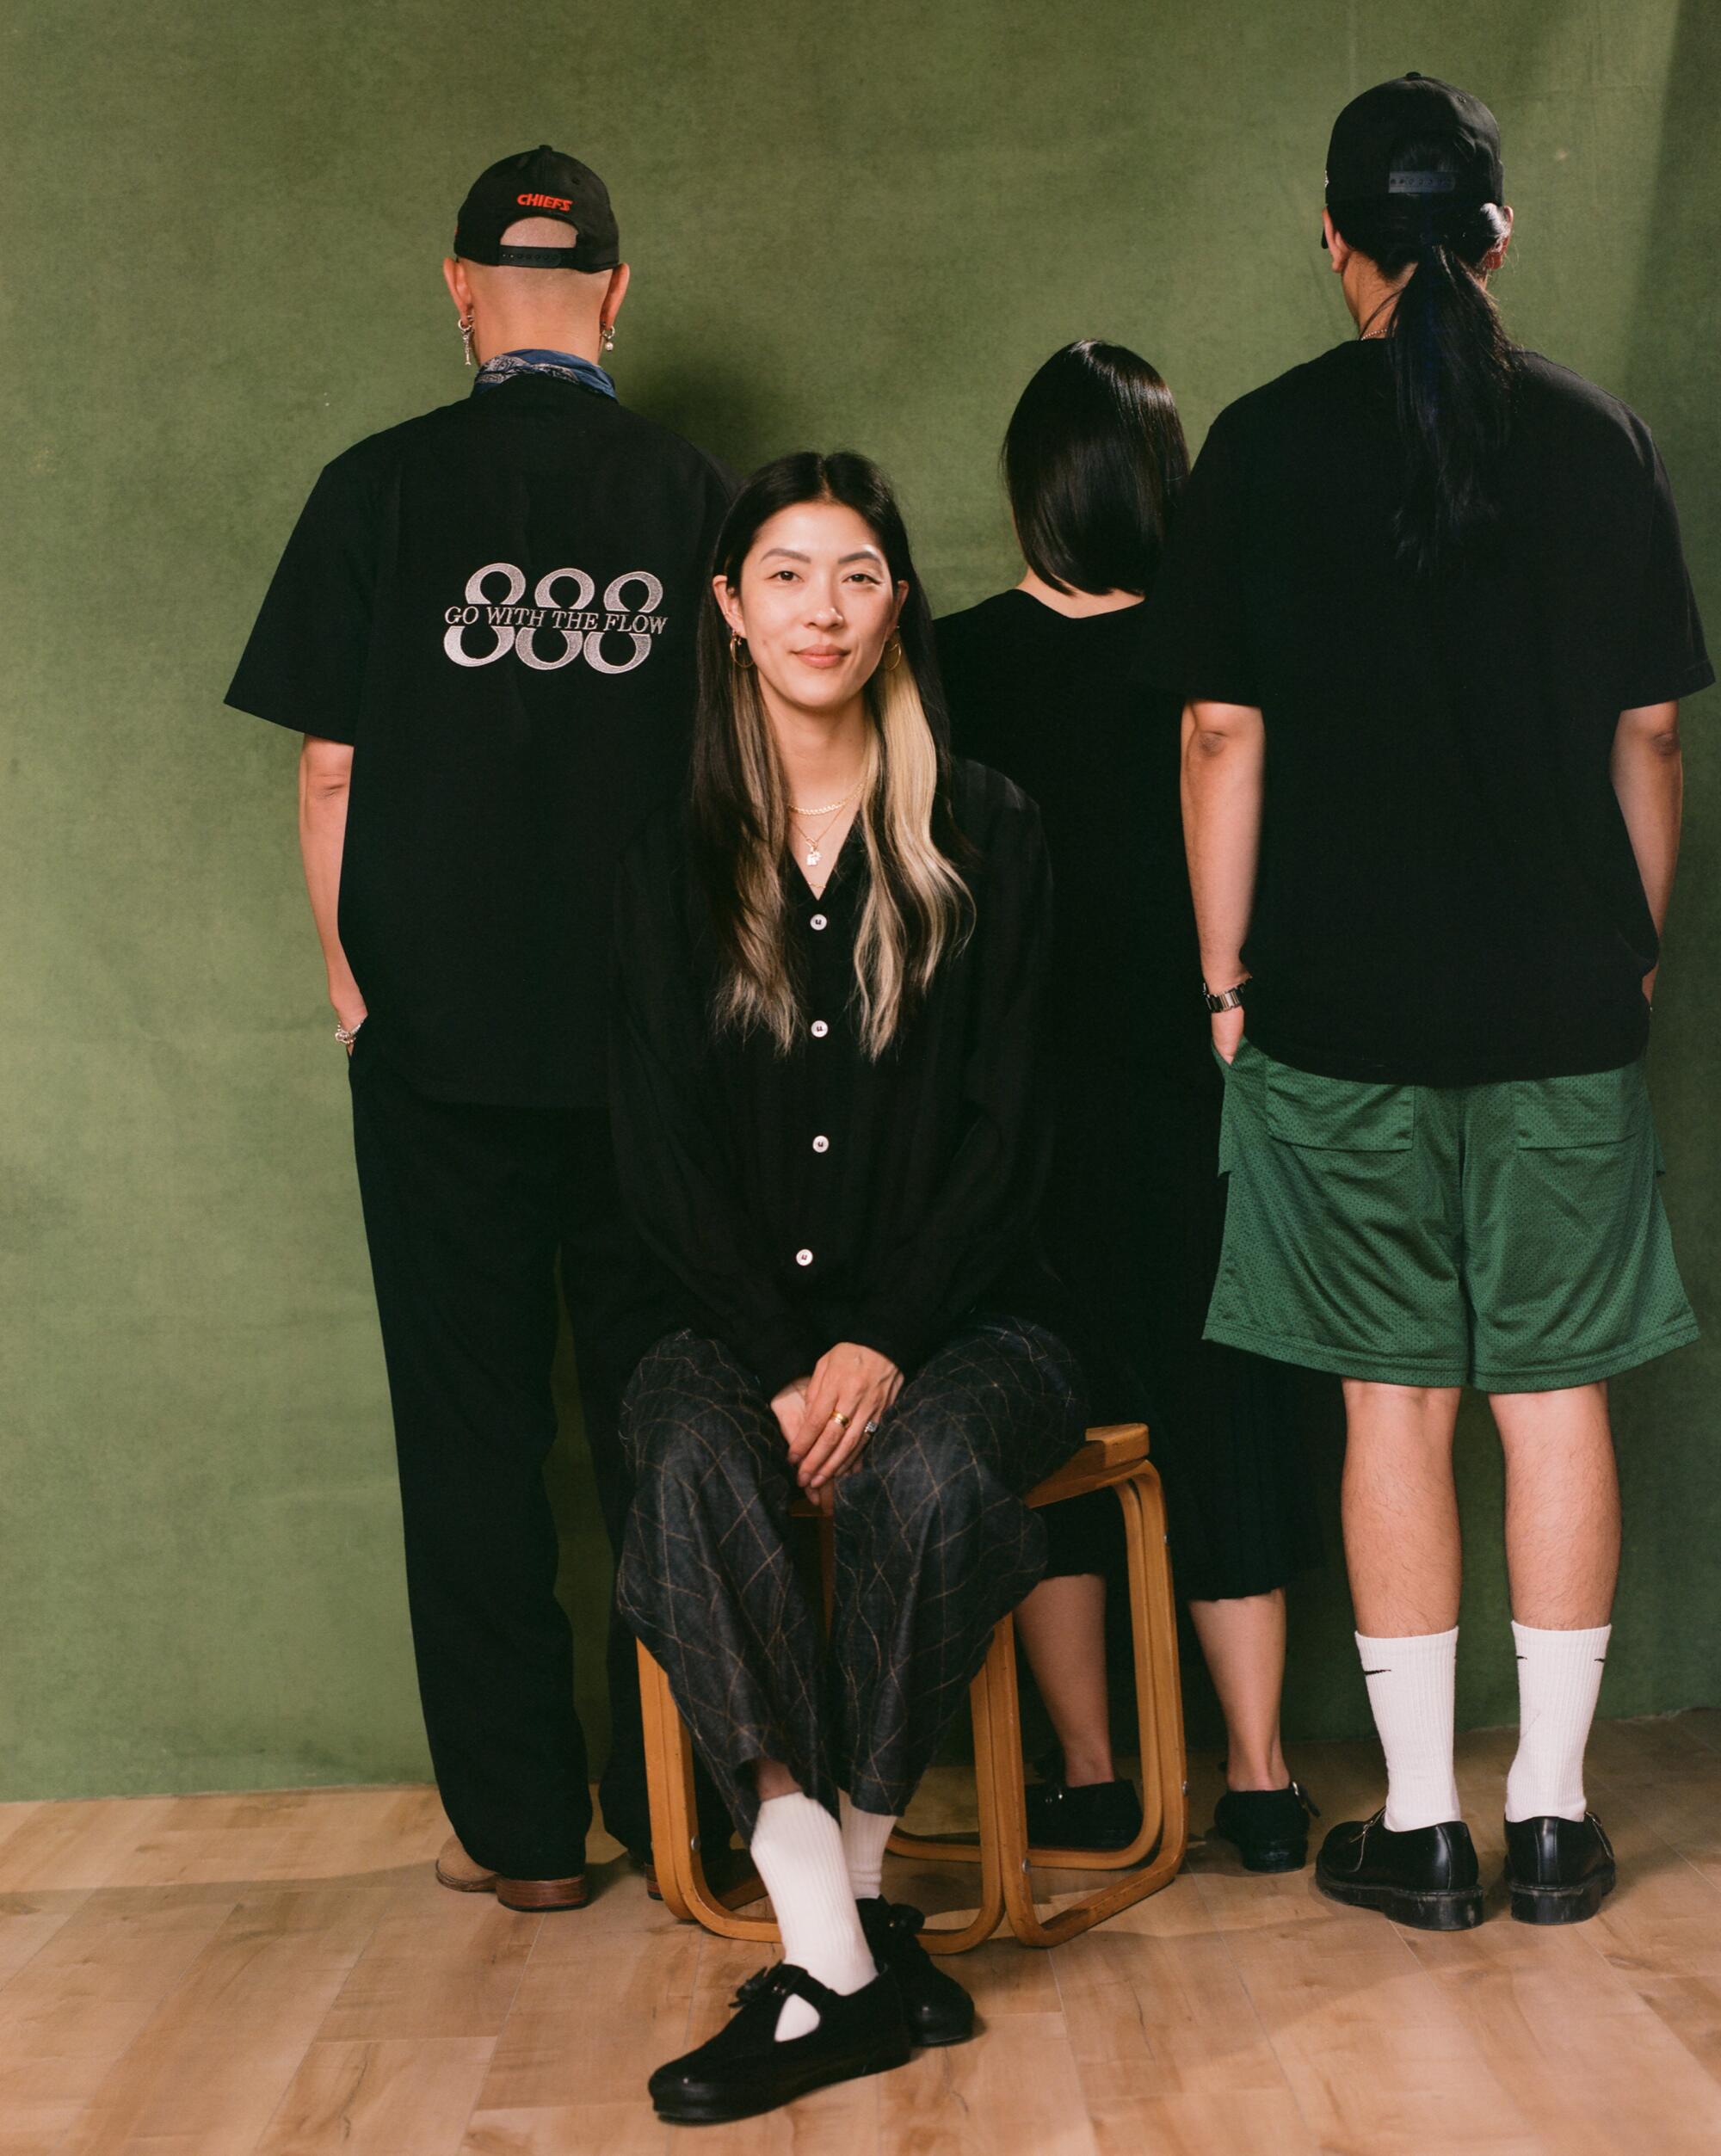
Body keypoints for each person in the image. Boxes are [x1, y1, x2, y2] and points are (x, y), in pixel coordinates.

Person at [1154, 73, 1708, 1931]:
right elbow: (1648, 732)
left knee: (1387, 1407)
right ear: (1495, 235)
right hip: (1559, 999)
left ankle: (1422, 1825)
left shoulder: (1255, 445)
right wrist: (1624, 940)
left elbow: (1220, 732)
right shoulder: (1597, 436)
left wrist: (1224, 978)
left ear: (1336, 244)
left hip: (1333, 1014)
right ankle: (1550, 1816)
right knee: (1553, 1399)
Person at [225, 146, 733, 1910]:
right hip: (655, 1055)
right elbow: (753, 783)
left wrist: (356, 988)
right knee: (670, 1420)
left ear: (455, 287)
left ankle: (524, 1838)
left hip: (437, 1050)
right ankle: (682, 1804)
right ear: (614, 290)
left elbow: (331, 767)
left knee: (467, 1435)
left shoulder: (375, 488)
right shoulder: (694, 495)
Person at [608, 451, 1087, 2123]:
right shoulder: (666, 856)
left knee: (936, 1466)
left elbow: (1009, 1135)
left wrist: (880, 1336)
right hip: (722, 1318)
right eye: (788, 573)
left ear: (896, 609)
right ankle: (845, 1944)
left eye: (859, 573)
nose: (823, 606)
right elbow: (658, 1159)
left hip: (968, 1314)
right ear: (731, 611)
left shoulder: (991, 836)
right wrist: (784, 1351)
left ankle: (831, 1949)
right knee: (679, 1455)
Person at [937, 341, 1336, 1873]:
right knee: (1230, 1417)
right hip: (1206, 1092)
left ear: (1030, 487)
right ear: (1167, 483)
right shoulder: (1221, 652)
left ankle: (1095, 1774)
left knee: (1053, 1432)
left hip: (1018, 1118)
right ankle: (1257, 1777)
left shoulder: (953, 663)